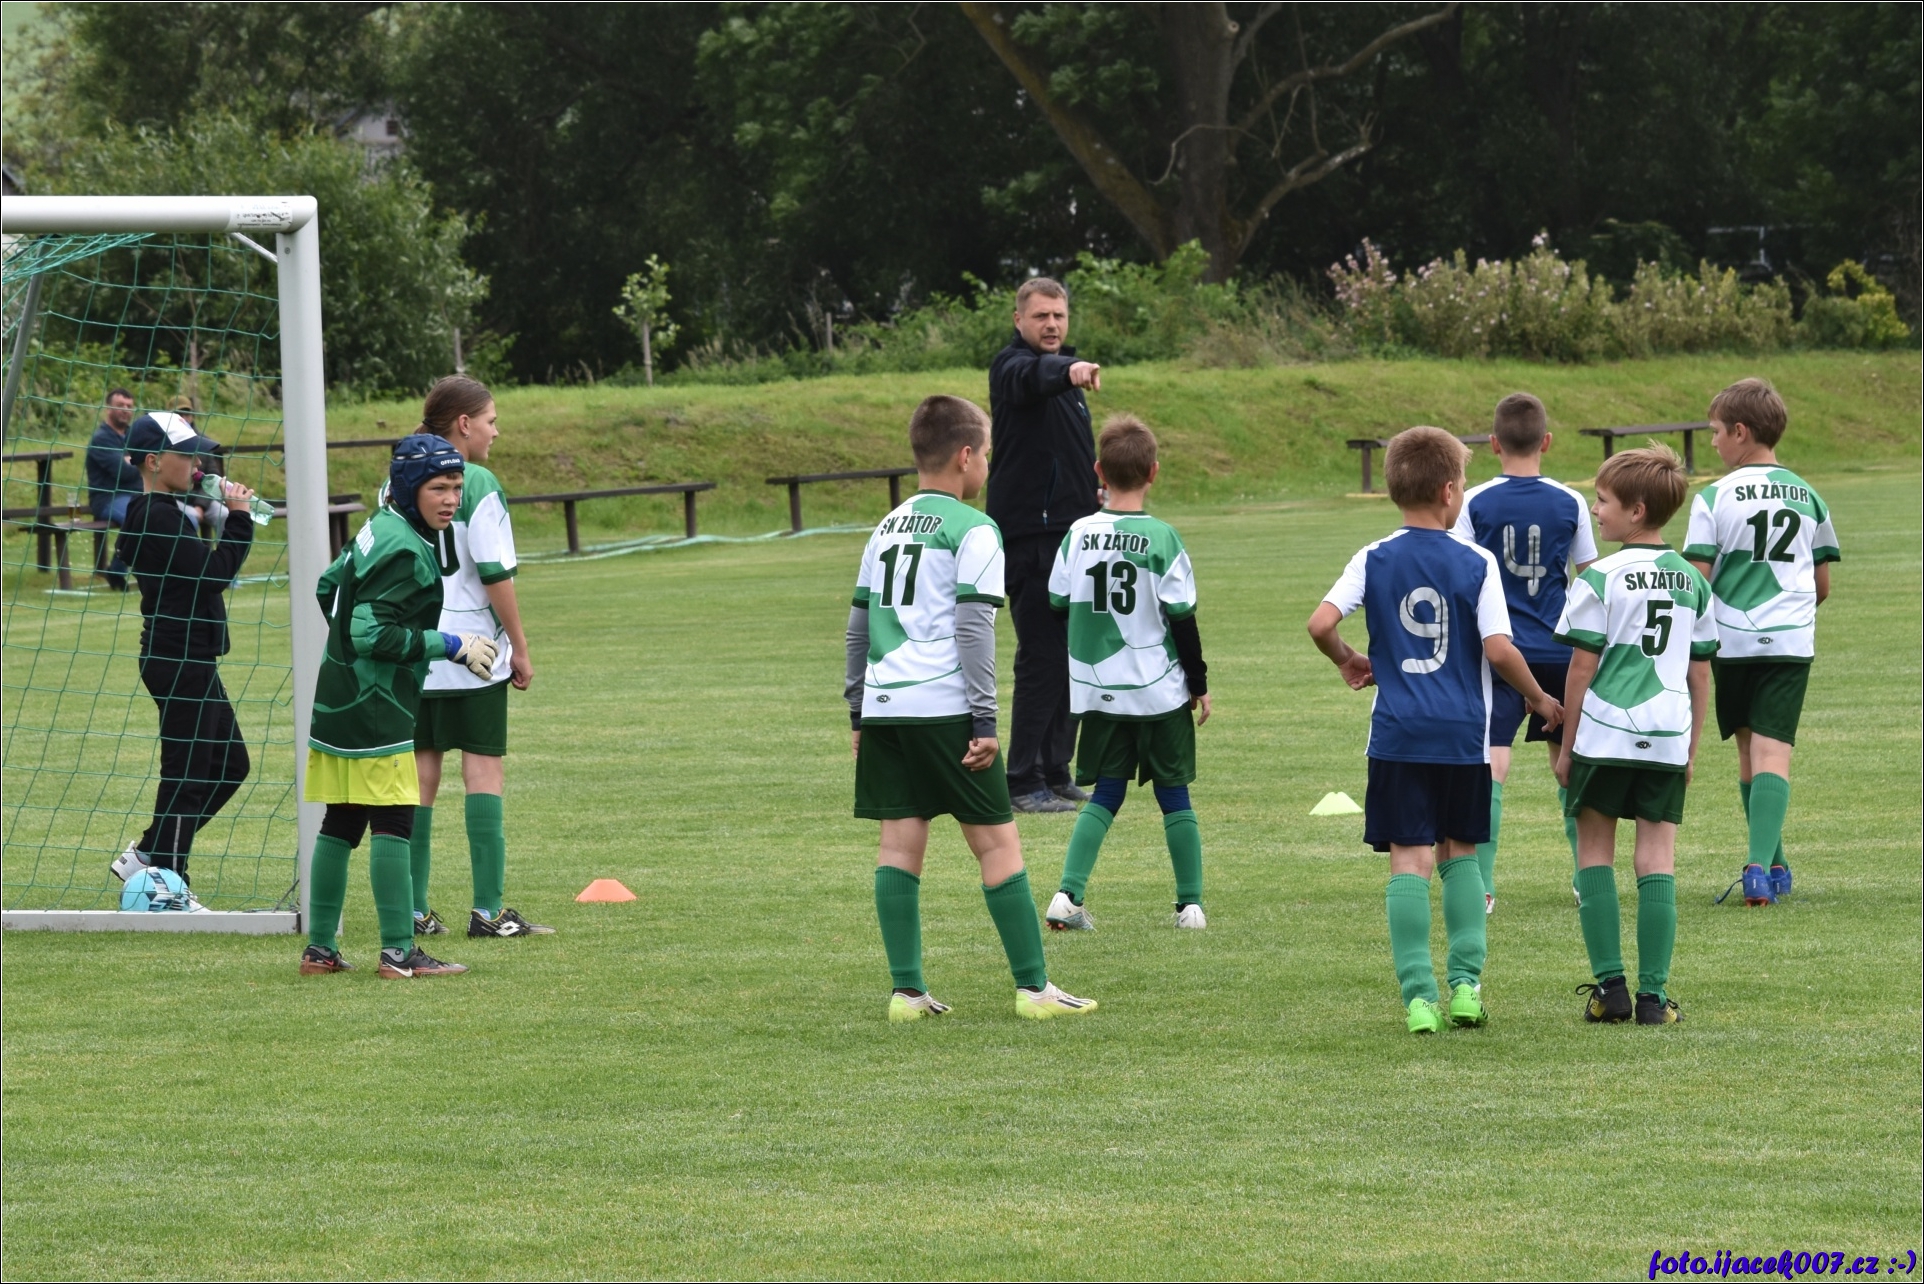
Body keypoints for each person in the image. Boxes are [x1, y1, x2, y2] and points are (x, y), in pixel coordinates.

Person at [846, 394, 1097, 1022]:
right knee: (998, 847)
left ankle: (907, 993)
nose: (987, 463)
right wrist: (985, 720)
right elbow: (973, 627)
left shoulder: (885, 527)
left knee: (898, 848)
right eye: (986, 453)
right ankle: (1035, 989)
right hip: (945, 708)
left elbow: (857, 628)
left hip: (885, 706)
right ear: (966, 457)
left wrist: (858, 711)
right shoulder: (975, 528)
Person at [1307, 426, 1562, 1034]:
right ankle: (1466, 987)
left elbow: (1319, 623)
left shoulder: (1373, 556)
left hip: (1397, 735)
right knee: (1460, 854)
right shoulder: (1475, 561)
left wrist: (1348, 658)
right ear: (1450, 491)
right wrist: (1537, 698)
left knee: (1409, 860)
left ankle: (1419, 999)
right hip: (1463, 735)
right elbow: (1498, 649)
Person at [297, 435, 499, 979]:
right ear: (410, 490)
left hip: (338, 698)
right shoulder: (406, 548)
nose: (451, 500)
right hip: (375, 706)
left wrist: (348, 654)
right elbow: (371, 633)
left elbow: (328, 588)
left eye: (456, 488)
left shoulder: (379, 525)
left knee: (341, 820)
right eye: (438, 488)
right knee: (393, 820)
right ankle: (398, 951)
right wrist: (448, 644)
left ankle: (320, 950)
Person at [1555, 446, 1717, 1026]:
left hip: (1604, 735)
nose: (1595, 511)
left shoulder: (1599, 577)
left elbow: (1581, 669)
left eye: (1603, 501)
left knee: (1594, 852)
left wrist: (1567, 746)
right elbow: (1700, 674)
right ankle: (1654, 998)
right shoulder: (1693, 581)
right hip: (1667, 735)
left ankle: (1611, 990)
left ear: (1636, 510)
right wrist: (1690, 749)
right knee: (1657, 859)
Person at [1043, 415, 1212, 931]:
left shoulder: (1077, 533)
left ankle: (1067, 896)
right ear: (1154, 472)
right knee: (1174, 795)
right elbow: (1182, 619)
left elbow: (1056, 603)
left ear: (1098, 470)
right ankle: (1190, 907)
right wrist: (1199, 684)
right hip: (1157, 691)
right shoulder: (1163, 537)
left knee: (1107, 794)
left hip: (1099, 692)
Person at [1683, 378, 1839, 908]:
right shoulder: (1809, 496)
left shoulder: (1713, 497)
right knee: (1772, 752)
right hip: (1789, 642)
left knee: (1750, 751)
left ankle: (1760, 865)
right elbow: (1821, 585)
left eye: (1715, 432)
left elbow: (1697, 581)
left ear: (1740, 432)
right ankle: (1769, 864)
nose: (1712, 442)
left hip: (1731, 641)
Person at [403, 376, 548, 940]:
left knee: (419, 776)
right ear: (463, 424)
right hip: (476, 652)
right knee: (483, 769)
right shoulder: (478, 481)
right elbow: (494, 572)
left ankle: (415, 910)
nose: (495, 432)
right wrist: (521, 647)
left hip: (417, 649)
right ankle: (488, 911)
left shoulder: (397, 478)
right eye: (490, 421)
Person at [1453, 392, 1598, 912]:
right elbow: (1589, 581)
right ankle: (1587, 878)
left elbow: (1461, 575)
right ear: (1547, 442)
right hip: (1560, 651)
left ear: (1493, 444)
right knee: (1569, 761)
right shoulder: (1571, 502)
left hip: (1498, 652)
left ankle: (1483, 885)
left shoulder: (1473, 502)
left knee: (1492, 763)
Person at [109, 413, 258, 895]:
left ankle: (152, 853)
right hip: (178, 660)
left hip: (190, 658)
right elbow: (213, 575)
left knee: (230, 765)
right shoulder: (156, 515)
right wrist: (239, 517)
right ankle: (168, 881)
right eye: (187, 454)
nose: (198, 464)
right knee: (187, 775)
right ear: (154, 461)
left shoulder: (160, 510)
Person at [987, 278, 1104, 813]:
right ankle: (1021, 780)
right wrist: (1068, 370)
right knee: (1041, 657)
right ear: (1019, 320)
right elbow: (1031, 377)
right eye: (1040, 316)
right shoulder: (1013, 368)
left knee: (1073, 656)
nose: (1052, 324)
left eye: (1058, 315)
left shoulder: (1068, 384)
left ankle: (1056, 770)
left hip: (1073, 539)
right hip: (1032, 541)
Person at [85, 387, 142, 590]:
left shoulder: (135, 435)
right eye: (120, 405)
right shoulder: (101, 439)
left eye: (129, 406)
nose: (125, 410)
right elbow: (123, 473)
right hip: (107, 498)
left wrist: (131, 460)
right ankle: (117, 570)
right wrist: (139, 461)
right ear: (108, 408)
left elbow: (153, 463)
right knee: (139, 517)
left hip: (137, 495)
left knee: (168, 515)